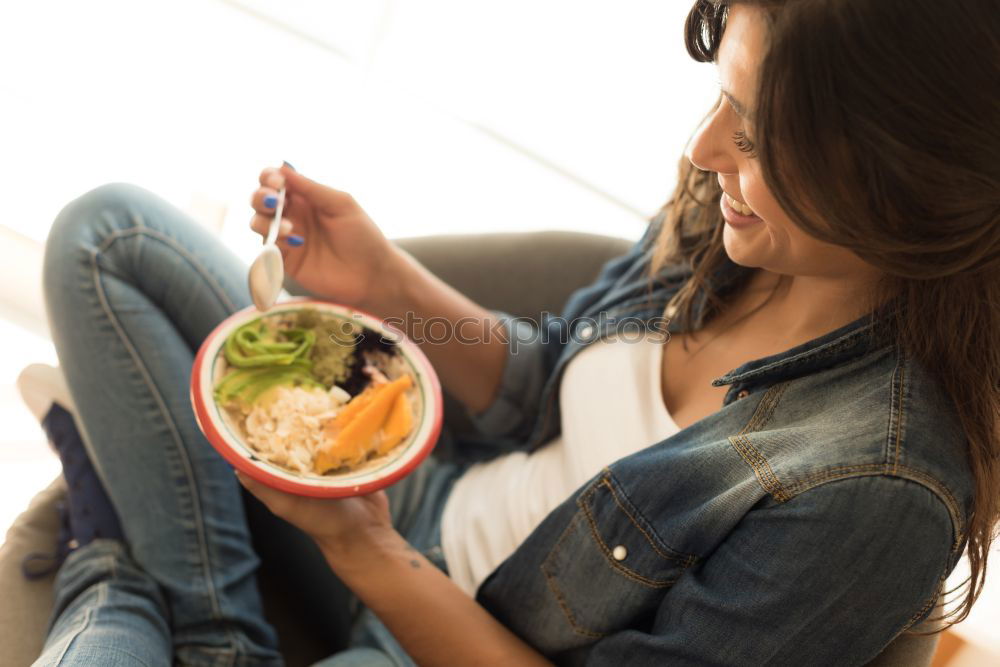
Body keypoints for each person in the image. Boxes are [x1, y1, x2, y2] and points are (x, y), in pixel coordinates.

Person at [23, 0, 999, 664]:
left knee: (118, 579)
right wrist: (383, 281)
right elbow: (546, 386)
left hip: (445, 631)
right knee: (111, 234)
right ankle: (216, 623)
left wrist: (365, 556)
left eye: (752, 130)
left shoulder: (879, 493)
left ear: (896, 176)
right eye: (721, 99)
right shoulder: (733, 224)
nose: (699, 149)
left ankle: (115, 568)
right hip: (422, 495)